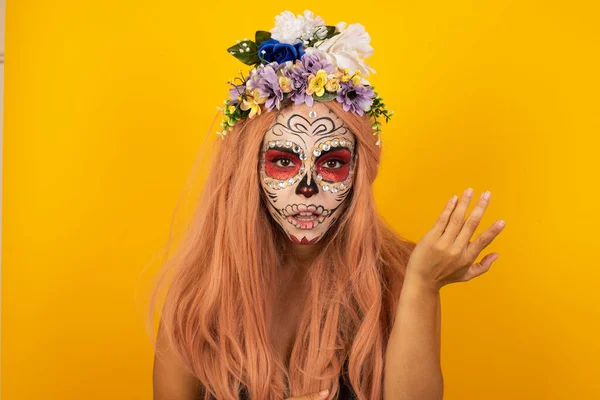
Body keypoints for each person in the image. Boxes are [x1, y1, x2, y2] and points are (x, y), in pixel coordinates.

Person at [148, 10, 506, 400]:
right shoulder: (199, 297)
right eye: (283, 161)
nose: (307, 187)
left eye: (332, 162)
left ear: (358, 171)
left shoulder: (397, 277)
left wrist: (422, 284)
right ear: (247, 170)